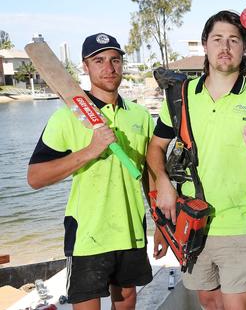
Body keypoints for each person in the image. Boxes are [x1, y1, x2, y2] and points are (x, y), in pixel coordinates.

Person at [147, 10, 246, 310]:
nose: (225, 46)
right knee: (209, 302)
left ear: (244, 47)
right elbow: (155, 148)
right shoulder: (181, 97)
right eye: (217, 39)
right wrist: (164, 185)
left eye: (234, 40)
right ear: (205, 44)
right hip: (192, 222)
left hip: (240, 224)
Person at [27, 33, 156, 310]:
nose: (109, 68)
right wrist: (90, 150)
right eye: (99, 61)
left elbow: (150, 174)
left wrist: (161, 226)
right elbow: (35, 177)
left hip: (130, 229)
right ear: (85, 66)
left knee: (127, 298)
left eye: (115, 60)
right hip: (88, 233)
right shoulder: (65, 118)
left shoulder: (140, 116)